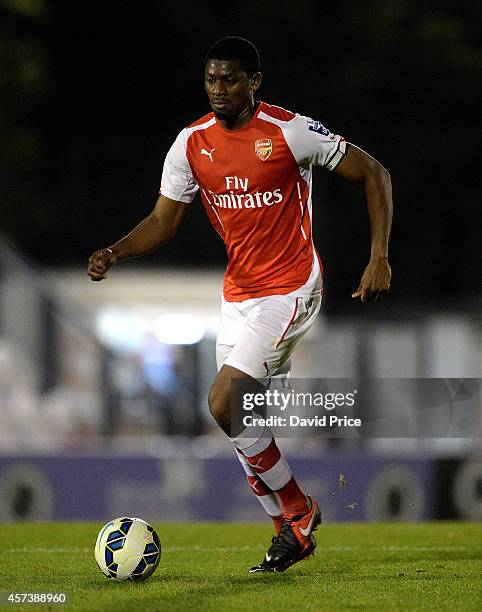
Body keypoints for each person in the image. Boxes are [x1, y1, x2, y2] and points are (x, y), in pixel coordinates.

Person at [88, 36, 392, 573]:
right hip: (239, 296)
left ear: (255, 81)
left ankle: (298, 511)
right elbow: (163, 221)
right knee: (239, 421)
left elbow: (374, 174)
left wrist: (379, 257)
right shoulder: (191, 143)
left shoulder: (289, 131)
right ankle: (286, 531)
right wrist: (115, 251)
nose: (219, 89)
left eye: (230, 79)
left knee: (224, 402)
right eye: (211, 79)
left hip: (292, 287)